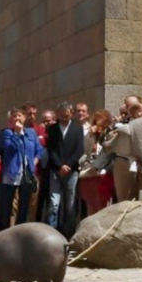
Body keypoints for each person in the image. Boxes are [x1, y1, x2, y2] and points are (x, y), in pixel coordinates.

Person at [0, 108, 43, 231]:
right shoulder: (7, 133)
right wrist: (16, 133)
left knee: (24, 205)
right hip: (11, 174)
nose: (17, 118)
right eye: (14, 116)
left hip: (27, 173)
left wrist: (35, 160)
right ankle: (4, 231)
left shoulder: (31, 133)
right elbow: (9, 148)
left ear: (24, 118)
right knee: (7, 206)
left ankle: (20, 230)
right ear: (10, 120)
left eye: (20, 116)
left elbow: (39, 150)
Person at [45, 102, 85, 239]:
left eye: (66, 114)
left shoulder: (77, 128)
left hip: (72, 171)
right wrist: (59, 165)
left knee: (70, 204)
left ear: (71, 113)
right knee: (54, 203)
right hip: (56, 170)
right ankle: (51, 234)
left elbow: (79, 149)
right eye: (61, 114)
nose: (63, 116)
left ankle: (68, 235)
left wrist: (68, 165)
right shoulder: (52, 129)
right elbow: (51, 150)